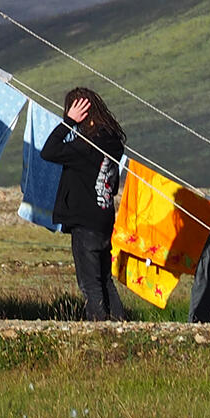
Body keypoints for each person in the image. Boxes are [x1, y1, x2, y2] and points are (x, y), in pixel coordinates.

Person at [40, 87, 128, 321]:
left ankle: (100, 326)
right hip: (104, 218)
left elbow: (48, 151)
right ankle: (120, 325)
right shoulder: (112, 141)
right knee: (104, 278)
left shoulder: (85, 146)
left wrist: (68, 122)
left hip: (85, 222)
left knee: (90, 283)